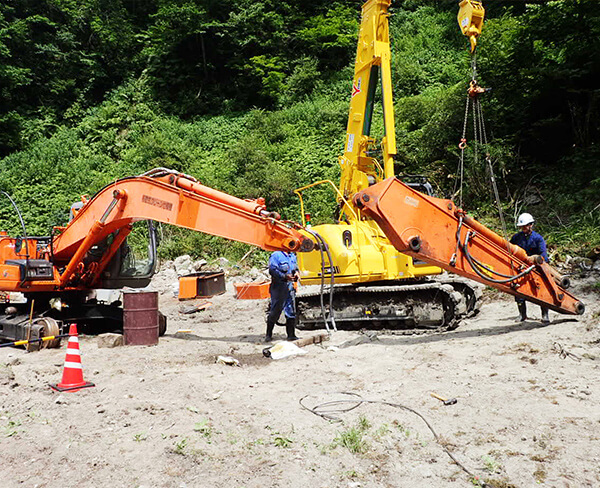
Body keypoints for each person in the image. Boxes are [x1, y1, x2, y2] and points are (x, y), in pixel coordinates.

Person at [510, 212, 550, 324]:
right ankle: (522, 315)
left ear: (531, 225)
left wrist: (536, 264)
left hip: (536, 269)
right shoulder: (516, 238)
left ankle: (545, 315)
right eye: (521, 227)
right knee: (518, 291)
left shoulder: (538, 239)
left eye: (525, 226)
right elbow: (509, 250)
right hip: (520, 268)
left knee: (541, 291)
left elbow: (543, 256)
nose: (523, 228)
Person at [265, 251, 300, 342]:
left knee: (291, 311)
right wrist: (284, 276)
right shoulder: (276, 255)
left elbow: (295, 268)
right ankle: (268, 334)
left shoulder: (292, 255)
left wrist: (296, 273)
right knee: (276, 310)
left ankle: (291, 335)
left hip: (289, 288)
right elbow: (272, 270)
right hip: (278, 288)